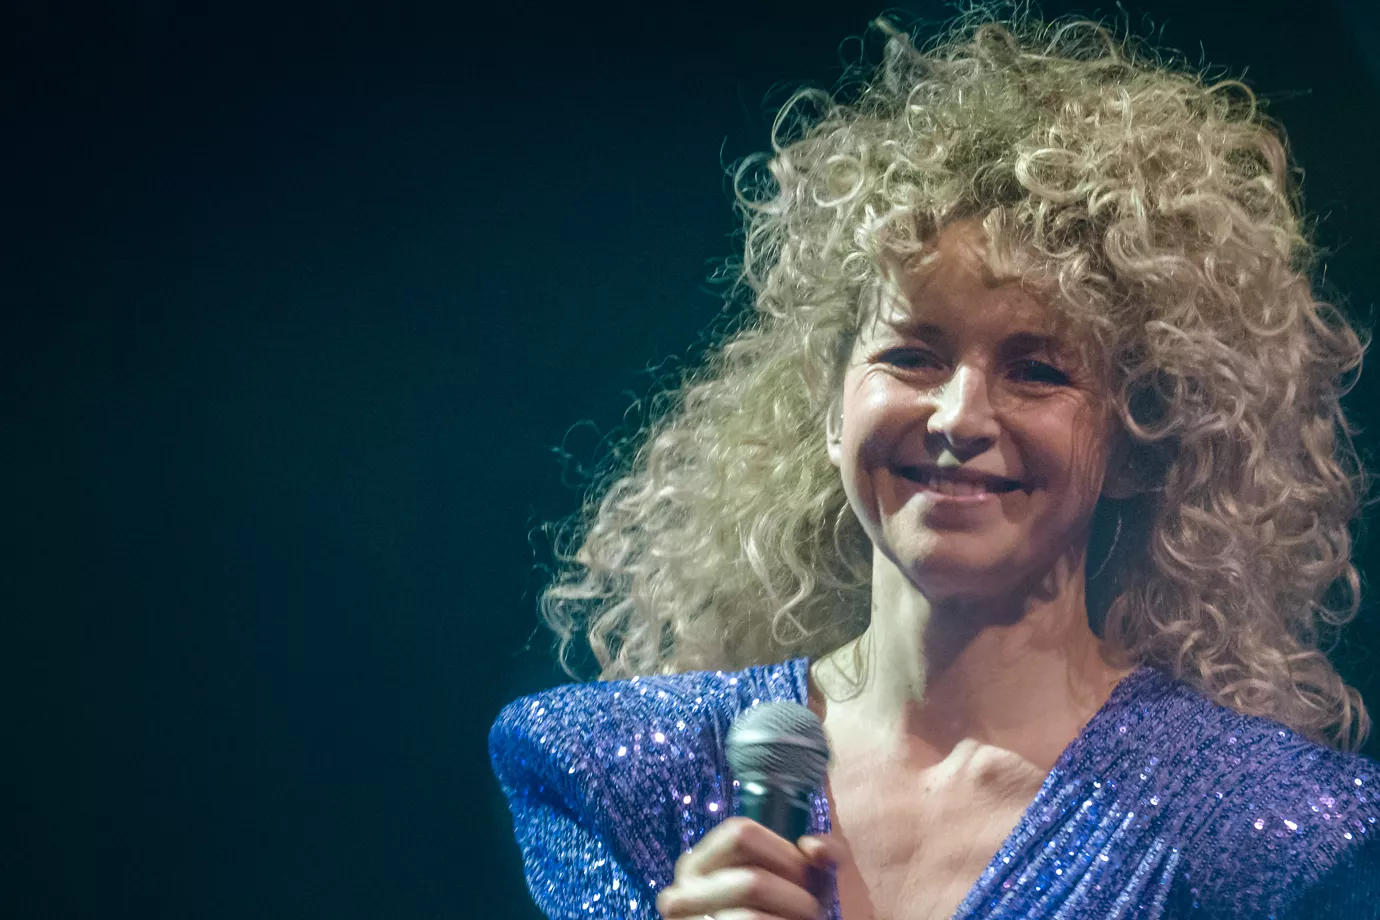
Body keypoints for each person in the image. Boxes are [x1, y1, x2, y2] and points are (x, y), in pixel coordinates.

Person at [489, 9, 1380, 919]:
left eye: (1038, 371)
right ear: (830, 408)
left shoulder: (1265, 842)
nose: (959, 416)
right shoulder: (629, 780)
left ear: (1137, 442)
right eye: (912, 356)